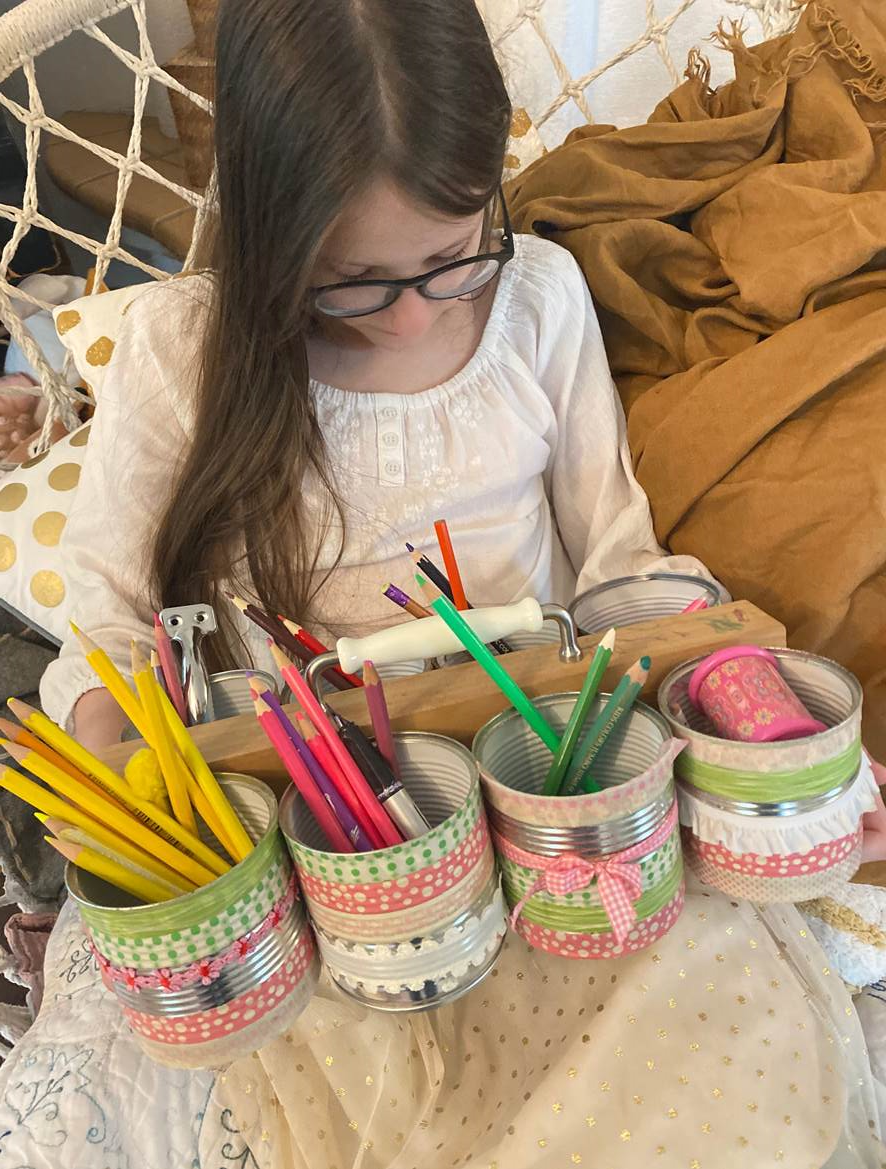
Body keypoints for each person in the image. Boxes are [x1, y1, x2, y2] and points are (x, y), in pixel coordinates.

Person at [34, 0, 884, 1165]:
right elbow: (111, 619)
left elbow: (619, 566)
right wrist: (118, 736)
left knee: (712, 1060)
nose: (417, 313)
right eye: (354, 283)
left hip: (551, 794)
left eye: (449, 261)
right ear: (275, 237)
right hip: (326, 847)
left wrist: (748, 700)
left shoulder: (535, 296)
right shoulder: (185, 348)